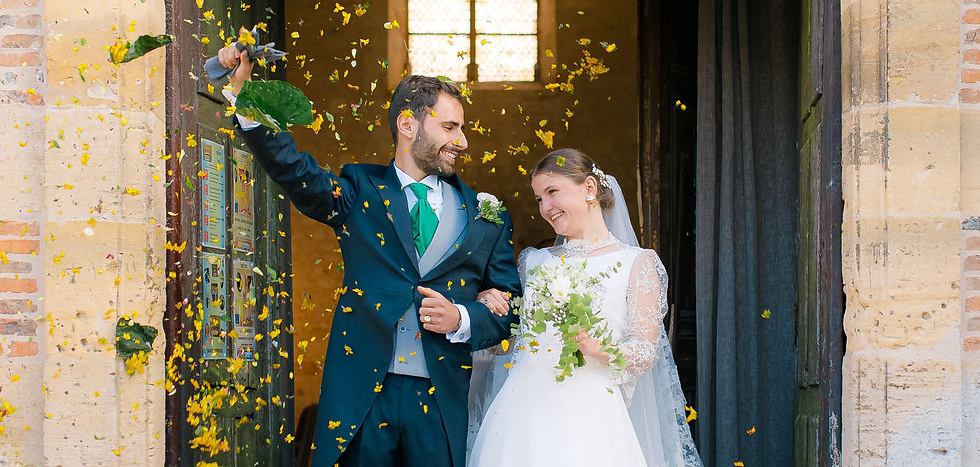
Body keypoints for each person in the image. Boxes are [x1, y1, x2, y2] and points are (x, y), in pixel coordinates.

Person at [216, 45, 521, 467]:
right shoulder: (359, 189)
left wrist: (464, 319)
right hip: (362, 394)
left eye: (462, 129)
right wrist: (248, 101)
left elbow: (512, 306)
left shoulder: (488, 216)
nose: (462, 142)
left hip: (440, 398)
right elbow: (293, 170)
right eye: (450, 127)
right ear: (408, 125)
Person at [469, 149, 703, 467]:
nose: (545, 208)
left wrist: (602, 350)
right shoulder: (533, 262)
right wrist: (487, 305)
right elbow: (507, 342)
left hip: (592, 418)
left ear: (590, 188)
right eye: (539, 199)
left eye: (552, 192)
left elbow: (646, 352)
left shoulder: (636, 263)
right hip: (521, 415)